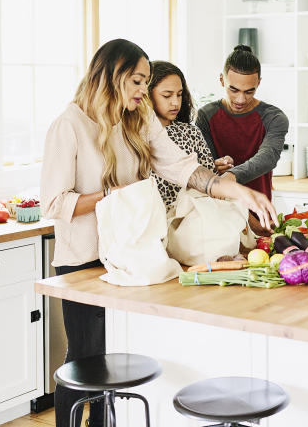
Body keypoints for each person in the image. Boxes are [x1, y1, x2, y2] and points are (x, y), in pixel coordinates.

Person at [41, 39, 276, 427]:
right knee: (85, 357)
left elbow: (180, 166)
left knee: (116, 355)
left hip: (133, 254)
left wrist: (232, 188)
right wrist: (113, 195)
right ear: (111, 76)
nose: (141, 91)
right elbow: (53, 203)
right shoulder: (69, 125)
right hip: (83, 260)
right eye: (136, 81)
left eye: (145, 81)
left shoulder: (137, 116)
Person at [196, 45, 289, 204]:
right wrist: (215, 165)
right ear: (221, 80)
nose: (240, 100)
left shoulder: (273, 117)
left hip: (258, 208)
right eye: (234, 90)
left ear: (258, 83)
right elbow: (202, 165)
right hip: (217, 208)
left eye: (249, 91)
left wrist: (232, 174)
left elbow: (268, 157)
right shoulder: (206, 115)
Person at [147, 60, 215, 210]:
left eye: (179, 95)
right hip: (153, 220)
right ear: (147, 95)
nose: (175, 103)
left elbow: (212, 181)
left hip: (195, 216)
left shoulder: (191, 132)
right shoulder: (137, 138)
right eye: (167, 96)